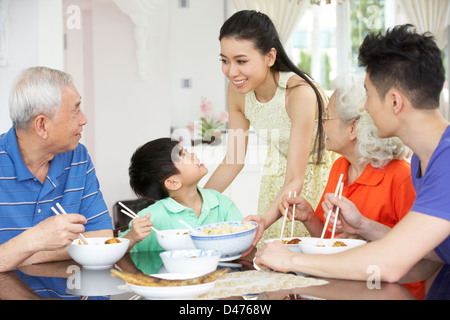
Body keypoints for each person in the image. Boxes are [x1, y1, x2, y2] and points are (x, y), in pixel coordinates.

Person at [255, 24, 450, 285]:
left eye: (368, 94)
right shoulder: (422, 159)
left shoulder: (446, 162)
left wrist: (289, 260)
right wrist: (363, 226)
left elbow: (390, 263)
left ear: (395, 102)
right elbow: (432, 254)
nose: (366, 107)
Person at [204, 10, 337, 247]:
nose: (231, 72)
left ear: (270, 57)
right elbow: (233, 160)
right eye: (225, 61)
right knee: (274, 257)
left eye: (241, 61)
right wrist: (196, 203)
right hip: (280, 174)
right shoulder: (237, 90)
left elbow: (297, 177)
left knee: (311, 254)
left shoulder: (300, 93)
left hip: (320, 174)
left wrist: (264, 219)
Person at [0, 67, 113, 272]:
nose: (84, 119)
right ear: (42, 125)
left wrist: (25, 256)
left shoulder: (77, 157)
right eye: (76, 110)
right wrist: (34, 239)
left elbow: (102, 237)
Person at [281, 73, 415, 241]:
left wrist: (364, 234)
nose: (322, 122)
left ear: (353, 128)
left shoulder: (402, 177)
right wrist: (309, 217)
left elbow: (418, 249)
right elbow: (328, 240)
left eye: (327, 116)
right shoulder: (340, 167)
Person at [122, 138, 243, 252]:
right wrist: (131, 238)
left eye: (187, 151)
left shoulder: (220, 202)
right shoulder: (152, 218)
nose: (193, 155)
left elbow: (242, 237)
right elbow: (119, 251)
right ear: (173, 183)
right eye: (182, 155)